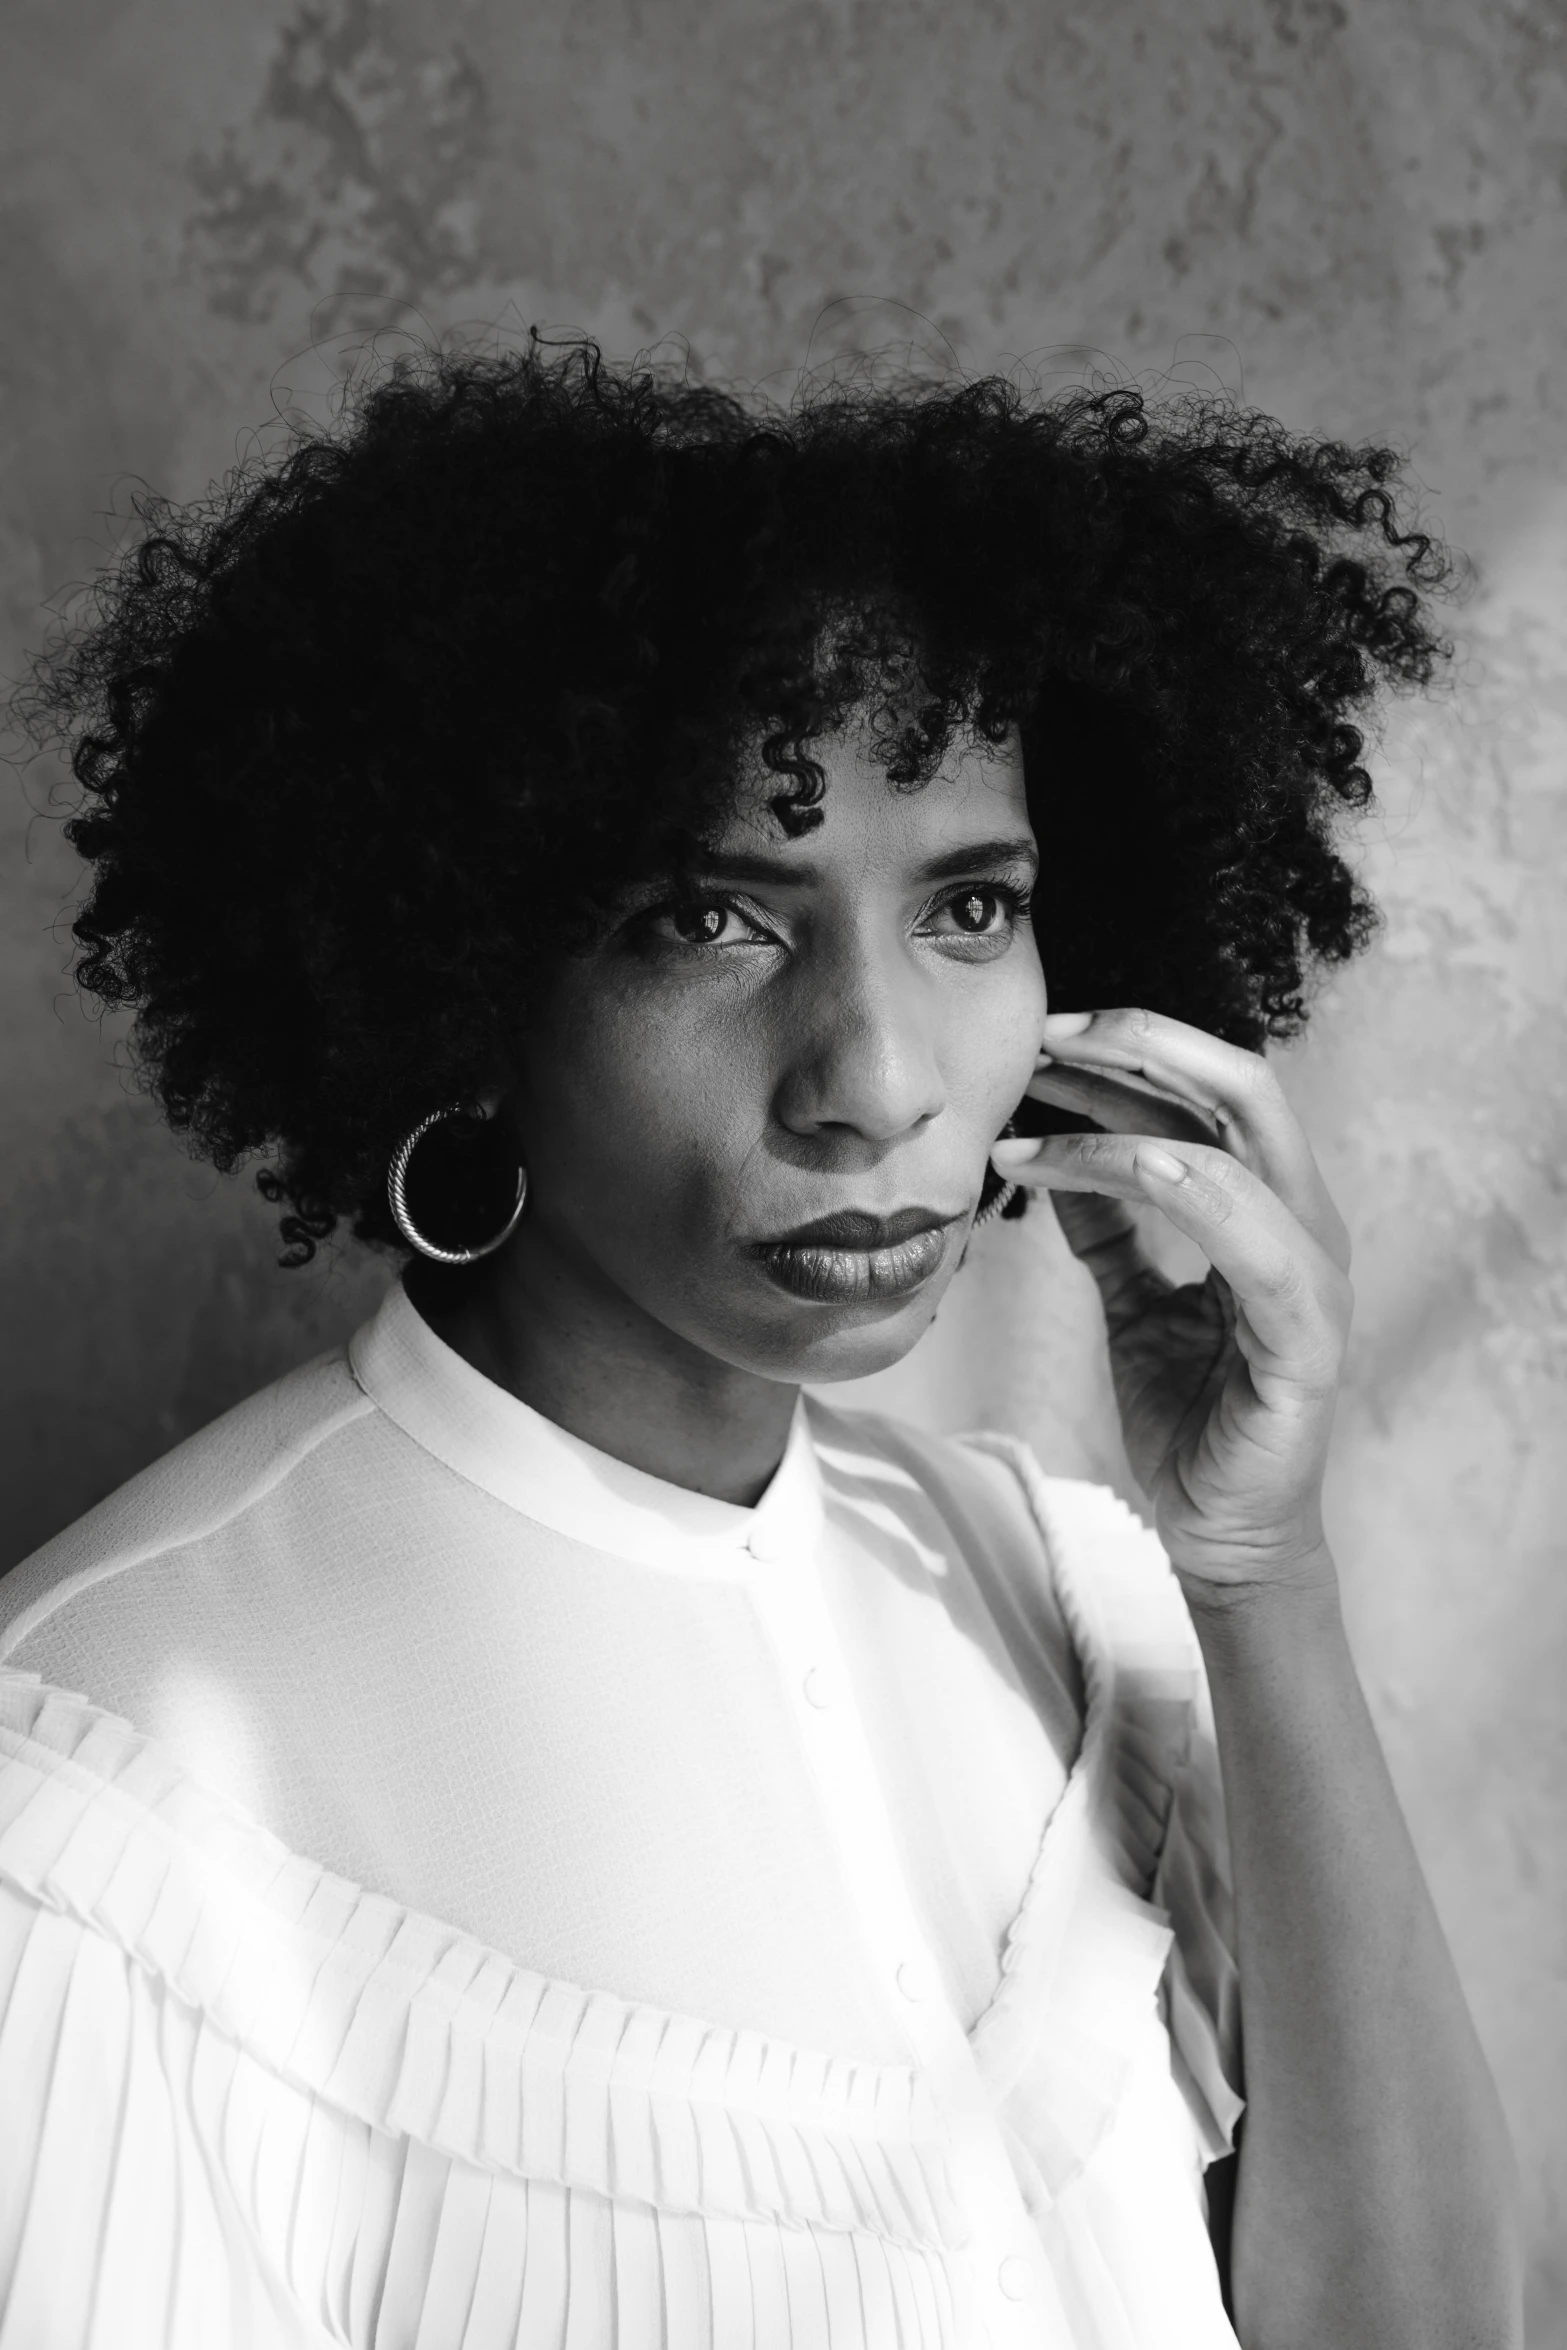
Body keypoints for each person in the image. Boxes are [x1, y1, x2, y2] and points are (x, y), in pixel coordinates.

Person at [0, 341, 1520, 2350]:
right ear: (465, 967)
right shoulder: (103, 1804)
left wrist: (1267, 1567)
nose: (876, 1078)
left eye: (970, 908)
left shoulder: (1070, 1587)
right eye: (711, 920)